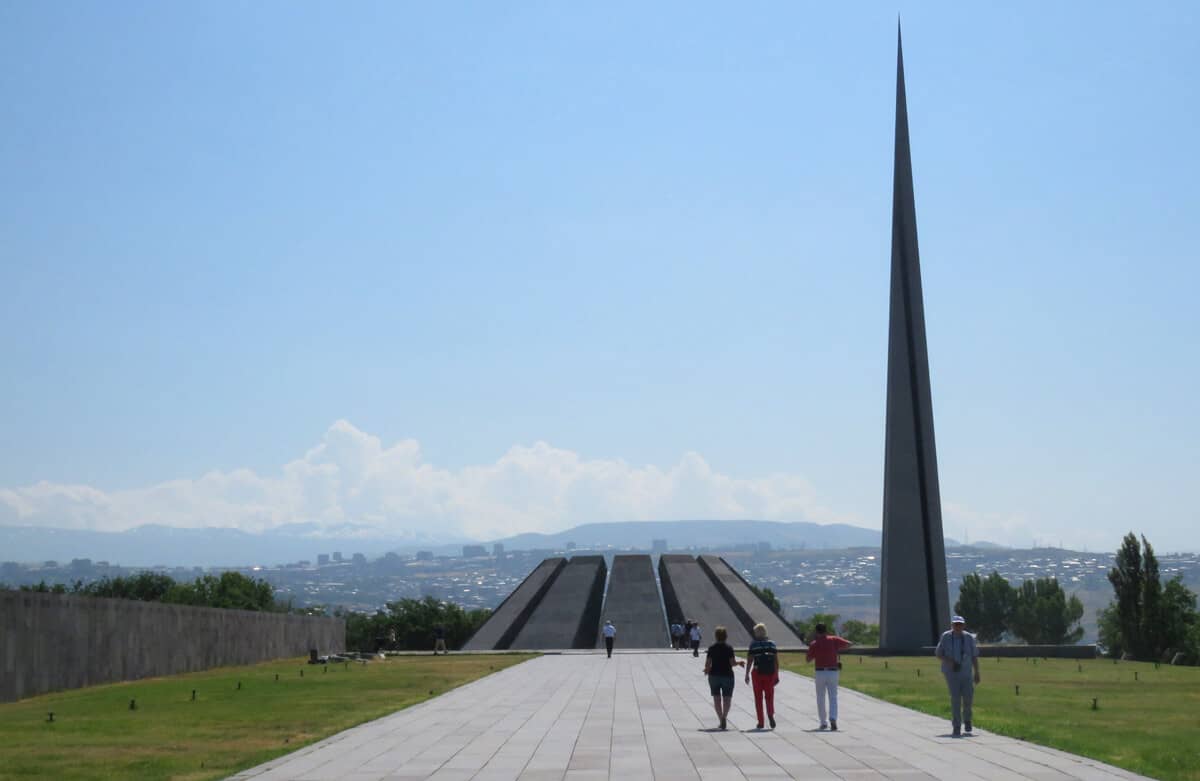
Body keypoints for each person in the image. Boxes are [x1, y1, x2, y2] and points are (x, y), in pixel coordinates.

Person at [935, 615, 981, 737]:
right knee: (955, 699)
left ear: (964, 625)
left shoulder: (969, 638)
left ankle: (967, 720)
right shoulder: (946, 637)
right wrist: (949, 661)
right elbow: (938, 654)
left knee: (968, 698)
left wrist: (977, 672)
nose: (958, 627)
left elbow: (974, 656)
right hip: (951, 673)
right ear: (952, 625)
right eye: (956, 624)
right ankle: (956, 725)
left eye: (960, 624)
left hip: (966, 673)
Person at [805, 622, 852, 730]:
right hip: (833, 671)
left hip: (820, 672)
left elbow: (808, 660)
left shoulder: (814, 643)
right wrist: (836, 650)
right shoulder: (834, 639)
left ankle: (823, 722)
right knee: (833, 696)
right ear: (826, 630)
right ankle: (833, 717)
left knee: (820, 697)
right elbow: (849, 643)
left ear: (816, 632)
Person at [703, 625, 745, 730]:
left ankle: (720, 719)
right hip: (727, 675)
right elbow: (732, 663)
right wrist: (739, 663)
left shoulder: (712, 648)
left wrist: (706, 670)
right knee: (727, 699)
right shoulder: (729, 648)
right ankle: (724, 717)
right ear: (726, 636)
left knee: (716, 699)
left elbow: (707, 664)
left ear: (716, 636)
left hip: (714, 676)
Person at [745, 622, 780, 729]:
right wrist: (776, 675)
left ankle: (760, 722)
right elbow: (776, 661)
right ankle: (770, 713)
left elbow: (750, 660)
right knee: (769, 696)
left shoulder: (753, 645)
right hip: (770, 673)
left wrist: (746, 674)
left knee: (758, 698)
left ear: (756, 633)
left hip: (757, 673)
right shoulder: (772, 644)